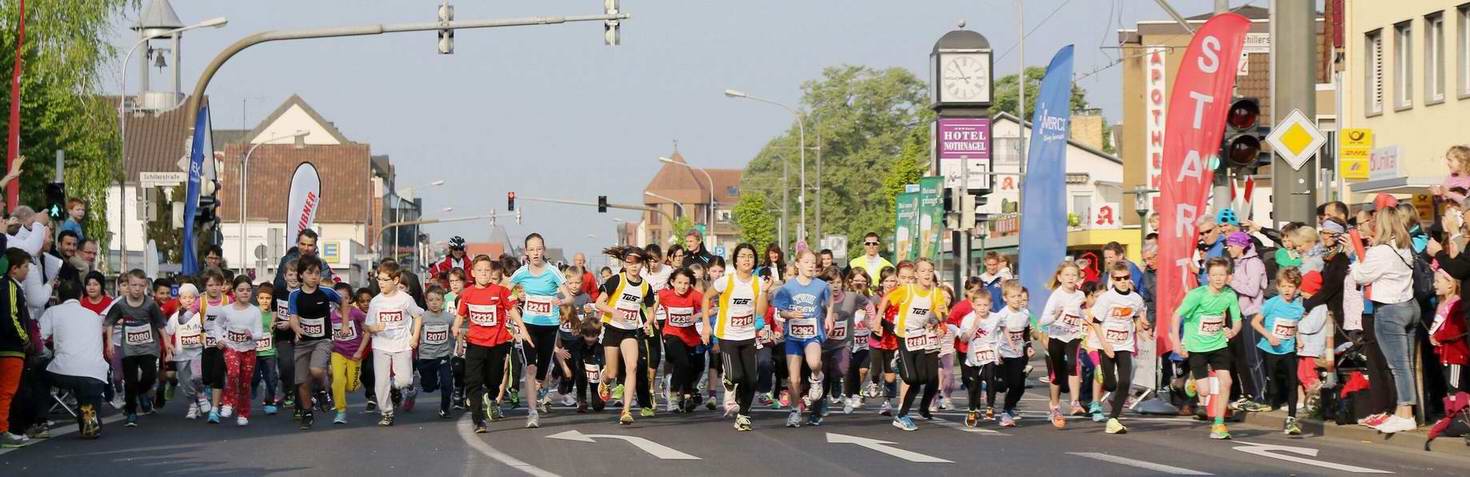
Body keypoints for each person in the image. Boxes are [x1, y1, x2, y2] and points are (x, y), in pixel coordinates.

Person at [1350, 206, 1421, 434]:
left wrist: (1355, 257)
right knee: (1405, 364)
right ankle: (1402, 412)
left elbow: (1361, 276)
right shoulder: (1404, 245)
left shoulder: (1380, 251)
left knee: (1398, 366)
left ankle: (1406, 414)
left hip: (1389, 309)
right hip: (1409, 305)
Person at [1171, 257, 1242, 440]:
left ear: (1228, 276)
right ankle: (1192, 380)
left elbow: (1237, 320)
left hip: (1218, 344)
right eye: (1214, 275)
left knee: (1226, 382)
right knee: (1204, 391)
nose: (1218, 278)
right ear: (1208, 277)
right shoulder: (1197, 295)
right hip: (1197, 346)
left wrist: (1233, 331)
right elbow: (1176, 316)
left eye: (1222, 275)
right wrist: (1177, 343)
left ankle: (1218, 423)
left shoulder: (1230, 295)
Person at [508, 233, 575, 427]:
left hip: (549, 327)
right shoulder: (521, 273)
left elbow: (570, 297)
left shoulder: (553, 271)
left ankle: (541, 387)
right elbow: (504, 292)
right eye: (532, 249)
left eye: (539, 249)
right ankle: (532, 413)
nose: (536, 253)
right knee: (530, 368)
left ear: (544, 250)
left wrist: (560, 301)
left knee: (541, 373)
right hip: (529, 326)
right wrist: (515, 299)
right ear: (526, 252)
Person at [877, 258, 948, 431]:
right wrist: (878, 318)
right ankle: (899, 362)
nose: (927, 274)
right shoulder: (907, 290)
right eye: (923, 271)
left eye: (930, 271)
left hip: (920, 337)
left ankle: (901, 416)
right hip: (904, 336)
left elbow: (941, 314)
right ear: (916, 274)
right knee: (910, 378)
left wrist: (937, 320)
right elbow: (886, 299)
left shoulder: (936, 293)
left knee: (921, 379)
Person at [454, 255, 523, 433]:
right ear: (473, 273)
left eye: (487, 270)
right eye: (480, 270)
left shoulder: (500, 291)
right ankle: (479, 421)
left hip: (497, 344)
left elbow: (512, 310)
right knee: (473, 381)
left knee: (494, 379)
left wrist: (522, 329)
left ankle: (492, 396)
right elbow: (461, 314)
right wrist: (455, 326)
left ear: (491, 272)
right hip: (475, 343)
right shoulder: (467, 293)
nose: (483, 273)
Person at [701, 243, 765, 431]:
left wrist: (765, 292)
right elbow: (706, 297)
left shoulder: (759, 283)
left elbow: (761, 312)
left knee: (751, 379)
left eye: (750, 256)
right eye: (743, 256)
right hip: (727, 335)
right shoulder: (726, 281)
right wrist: (706, 325)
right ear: (736, 260)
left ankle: (743, 416)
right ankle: (730, 380)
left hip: (748, 335)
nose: (747, 259)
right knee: (736, 375)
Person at [595, 246, 657, 425]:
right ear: (624, 263)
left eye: (637, 262)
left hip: (630, 331)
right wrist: (614, 311)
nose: (633, 266)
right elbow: (599, 303)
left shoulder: (645, 286)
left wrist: (648, 322)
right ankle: (604, 380)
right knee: (613, 372)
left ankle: (626, 410)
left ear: (642, 264)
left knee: (632, 367)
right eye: (630, 262)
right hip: (612, 328)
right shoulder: (617, 280)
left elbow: (650, 310)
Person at [38, 278, 107, 439]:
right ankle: (89, 421)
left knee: (37, 372)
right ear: (81, 296)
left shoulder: (53, 312)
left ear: (58, 297)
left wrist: (48, 352)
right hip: (94, 373)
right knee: (87, 392)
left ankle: (40, 421)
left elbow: (38, 339)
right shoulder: (93, 316)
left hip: (64, 371)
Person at [772, 250, 833, 427]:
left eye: (813, 262)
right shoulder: (787, 288)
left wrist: (829, 316)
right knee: (794, 379)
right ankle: (794, 411)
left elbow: (829, 301)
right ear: (797, 264)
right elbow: (781, 311)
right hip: (793, 336)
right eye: (807, 262)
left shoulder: (821, 285)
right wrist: (790, 314)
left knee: (814, 363)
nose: (811, 265)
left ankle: (816, 377)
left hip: (812, 334)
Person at [103, 269, 170, 428]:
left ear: (145, 286)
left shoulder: (150, 304)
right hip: (129, 348)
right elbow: (110, 322)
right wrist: (110, 342)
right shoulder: (121, 304)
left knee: (150, 376)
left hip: (148, 346)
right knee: (130, 380)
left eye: (140, 285)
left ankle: (140, 392)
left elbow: (160, 325)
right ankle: (131, 411)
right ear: (128, 285)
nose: (137, 289)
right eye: (133, 285)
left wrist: (167, 343)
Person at [1088, 262, 1149, 434]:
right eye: (1118, 278)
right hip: (1106, 343)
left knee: (1125, 381)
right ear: (1112, 280)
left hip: (1125, 344)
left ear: (1130, 278)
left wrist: (1140, 327)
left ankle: (1113, 419)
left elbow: (1136, 315)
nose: (1122, 281)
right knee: (1110, 384)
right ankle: (1102, 376)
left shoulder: (1136, 298)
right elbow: (1095, 323)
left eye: (1125, 278)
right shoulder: (1106, 298)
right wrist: (1105, 344)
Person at [364, 261, 425, 427]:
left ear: (396, 280)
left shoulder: (405, 299)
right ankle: (387, 413)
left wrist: (415, 337)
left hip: (402, 345)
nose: (381, 283)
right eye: (379, 279)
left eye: (385, 280)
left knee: (404, 380)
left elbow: (418, 316)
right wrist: (375, 327)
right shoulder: (376, 301)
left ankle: (395, 386)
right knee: (380, 383)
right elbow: (367, 326)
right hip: (380, 345)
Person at [287, 255, 343, 430]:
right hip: (303, 342)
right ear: (301, 275)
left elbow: (344, 302)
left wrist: (345, 323)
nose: (314, 276)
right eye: (309, 273)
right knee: (302, 382)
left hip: (322, 340)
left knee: (316, 369)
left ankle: (323, 390)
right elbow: (293, 317)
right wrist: (297, 328)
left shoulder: (326, 292)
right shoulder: (295, 295)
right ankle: (307, 412)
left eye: (317, 273)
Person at [1251, 268, 1306, 435]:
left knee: (1293, 383)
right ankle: (1267, 398)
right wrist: (1269, 336)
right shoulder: (1272, 303)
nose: (1287, 290)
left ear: (1297, 288)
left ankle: (1291, 419)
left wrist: (1299, 338)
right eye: (1284, 286)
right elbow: (1255, 322)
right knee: (1274, 388)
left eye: (1291, 286)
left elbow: (1294, 324)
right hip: (1270, 349)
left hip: (1288, 350)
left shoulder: (1298, 308)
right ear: (1278, 287)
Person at [1038, 261, 1086, 429]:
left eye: (1074, 275)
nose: (1071, 278)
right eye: (1067, 275)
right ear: (1059, 277)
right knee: (1057, 375)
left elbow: (1085, 314)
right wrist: (1055, 316)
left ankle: (1075, 402)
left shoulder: (1080, 295)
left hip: (1073, 336)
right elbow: (1043, 321)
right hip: (1057, 337)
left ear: (1078, 278)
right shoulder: (1056, 296)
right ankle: (1055, 407)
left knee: (1073, 364)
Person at [1226, 232, 1270, 412]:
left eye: (1231, 245)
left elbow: (1253, 290)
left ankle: (1262, 398)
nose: (1229, 249)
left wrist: (1231, 282)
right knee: (1248, 358)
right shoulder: (1239, 263)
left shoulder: (1254, 263)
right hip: (1244, 314)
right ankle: (1256, 395)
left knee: (1255, 358)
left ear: (1241, 246)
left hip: (1255, 314)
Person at [211, 276, 263, 426]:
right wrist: (219, 339)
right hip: (231, 348)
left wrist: (252, 335)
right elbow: (217, 324)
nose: (245, 293)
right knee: (233, 373)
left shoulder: (255, 311)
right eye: (241, 290)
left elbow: (260, 333)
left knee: (245, 383)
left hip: (249, 350)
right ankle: (228, 402)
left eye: (248, 290)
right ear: (234, 292)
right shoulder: (226, 310)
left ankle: (242, 413)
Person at [0, 248, 35, 447]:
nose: (27, 271)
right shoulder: (11, 287)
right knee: (7, 391)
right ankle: (2, 430)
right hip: (11, 348)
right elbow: (12, 316)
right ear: (14, 269)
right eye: (25, 267)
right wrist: (25, 339)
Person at [657, 268, 703, 414]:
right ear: (672, 282)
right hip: (671, 334)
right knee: (682, 362)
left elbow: (712, 308)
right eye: (679, 283)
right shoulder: (665, 295)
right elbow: (653, 303)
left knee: (690, 366)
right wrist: (651, 319)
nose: (683, 286)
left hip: (690, 337)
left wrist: (698, 315)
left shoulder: (694, 295)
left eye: (686, 283)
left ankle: (687, 394)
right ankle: (673, 392)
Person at [164, 283, 208, 419]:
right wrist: (169, 351)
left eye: (191, 298)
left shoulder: (200, 315)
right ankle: (193, 405)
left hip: (197, 353)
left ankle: (201, 395)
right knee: (186, 383)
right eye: (184, 298)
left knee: (197, 376)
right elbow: (167, 333)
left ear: (196, 299)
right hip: (181, 355)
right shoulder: (175, 317)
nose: (188, 300)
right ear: (180, 299)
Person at [957, 288, 1000, 428]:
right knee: (974, 385)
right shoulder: (968, 319)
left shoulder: (996, 317)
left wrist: (1002, 348)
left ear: (990, 305)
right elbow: (963, 339)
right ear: (973, 305)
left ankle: (990, 407)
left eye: (985, 305)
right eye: (979, 305)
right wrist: (973, 328)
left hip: (990, 353)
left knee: (990, 377)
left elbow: (1004, 329)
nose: (982, 308)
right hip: (974, 356)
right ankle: (972, 410)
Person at [993, 280, 1031, 428]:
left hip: (1018, 354)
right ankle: (989, 385)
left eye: (1019, 296)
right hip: (1003, 355)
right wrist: (996, 353)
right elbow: (993, 335)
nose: (1017, 299)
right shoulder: (1002, 315)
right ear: (1005, 298)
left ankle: (1007, 411)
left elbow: (1026, 332)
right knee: (1004, 385)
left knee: (1019, 386)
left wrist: (1028, 345)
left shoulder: (1025, 313)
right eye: (1013, 296)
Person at [417, 287, 457, 419]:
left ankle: (444, 409)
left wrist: (458, 342)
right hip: (426, 357)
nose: (434, 303)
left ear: (443, 302)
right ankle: (434, 382)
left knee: (447, 384)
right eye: (431, 300)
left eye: (438, 300)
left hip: (443, 356)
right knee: (428, 387)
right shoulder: (422, 318)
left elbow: (457, 329)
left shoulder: (449, 317)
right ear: (426, 302)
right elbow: (413, 332)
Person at [839, 268, 874, 415]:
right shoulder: (845, 298)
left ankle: (854, 392)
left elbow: (874, 319)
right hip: (848, 342)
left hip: (865, 342)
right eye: (856, 281)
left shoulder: (871, 300)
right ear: (850, 282)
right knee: (850, 369)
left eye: (863, 281)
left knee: (863, 369)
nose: (859, 284)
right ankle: (850, 395)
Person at [198, 269, 231, 422]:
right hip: (207, 341)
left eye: (217, 284)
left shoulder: (228, 300)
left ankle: (215, 408)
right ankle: (208, 388)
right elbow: (186, 316)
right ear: (205, 286)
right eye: (210, 285)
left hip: (223, 342)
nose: (214, 288)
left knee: (218, 372)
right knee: (206, 376)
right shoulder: (201, 301)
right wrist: (183, 315)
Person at [1430, 269, 1468, 394]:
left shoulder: (1457, 304)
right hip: (1444, 355)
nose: (1434, 284)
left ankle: (1459, 407)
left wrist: (1438, 337)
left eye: (1437, 281)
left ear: (1450, 285)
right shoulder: (1441, 304)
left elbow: (1456, 329)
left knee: (1456, 390)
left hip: (1455, 355)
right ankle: (1452, 407)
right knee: (1449, 389)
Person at [251, 284, 280, 416]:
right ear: (257, 298)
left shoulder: (275, 314)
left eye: (268, 298)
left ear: (272, 299)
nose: (265, 301)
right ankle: (253, 386)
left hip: (270, 351)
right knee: (255, 376)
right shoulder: (253, 313)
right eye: (262, 298)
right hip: (255, 352)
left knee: (271, 377)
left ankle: (269, 402)